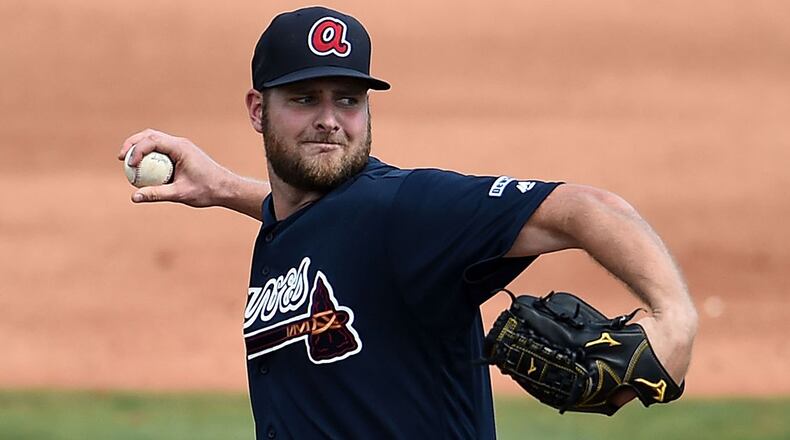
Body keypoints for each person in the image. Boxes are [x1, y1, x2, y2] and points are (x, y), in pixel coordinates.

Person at [118, 6, 697, 439]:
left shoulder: (408, 211)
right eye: (304, 99)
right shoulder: (296, 220)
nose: (330, 119)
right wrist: (224, 188)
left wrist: (674, 317)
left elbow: (588, 208)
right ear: (257, 109)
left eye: (348, 99)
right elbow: (320, 224)